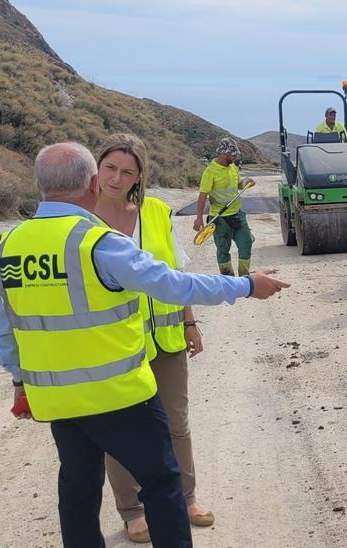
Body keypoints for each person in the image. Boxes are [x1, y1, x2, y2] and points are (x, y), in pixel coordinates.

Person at [0, 142, 289, 546]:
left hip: (56, 399)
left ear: (39, 183)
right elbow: (174, 283)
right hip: (117, 393)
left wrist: (19, 383)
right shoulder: (97, 242)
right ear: (93, 181)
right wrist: (248, 284)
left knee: (77, 488)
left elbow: (5, 330)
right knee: (163, 481)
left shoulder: (7, 248)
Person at [89, 134, 213, 543]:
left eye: (127, 171)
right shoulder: (81, 217)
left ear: (139, 175)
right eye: (109, 167)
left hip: (165, 341)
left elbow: (177, 277)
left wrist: (190, 323)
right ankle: (132, 511)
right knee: (120, 432)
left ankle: (185, 499)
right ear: (97, 167)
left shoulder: (156, 212)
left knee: (176, 425)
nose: (116, 177)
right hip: (112, 348)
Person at [193, 138, 255, 276]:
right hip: (219, 219)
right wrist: (199, 218)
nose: (235, 157)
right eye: (232, 155)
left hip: (237, 214)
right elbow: (202, 197)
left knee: (246, 243)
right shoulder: (210, 171)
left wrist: (245, 182)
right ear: (223, 154)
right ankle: (228, 278)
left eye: (235, 154)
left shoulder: (233, 167)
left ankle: (244, 276)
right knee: (223, 250)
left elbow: (238, 184)